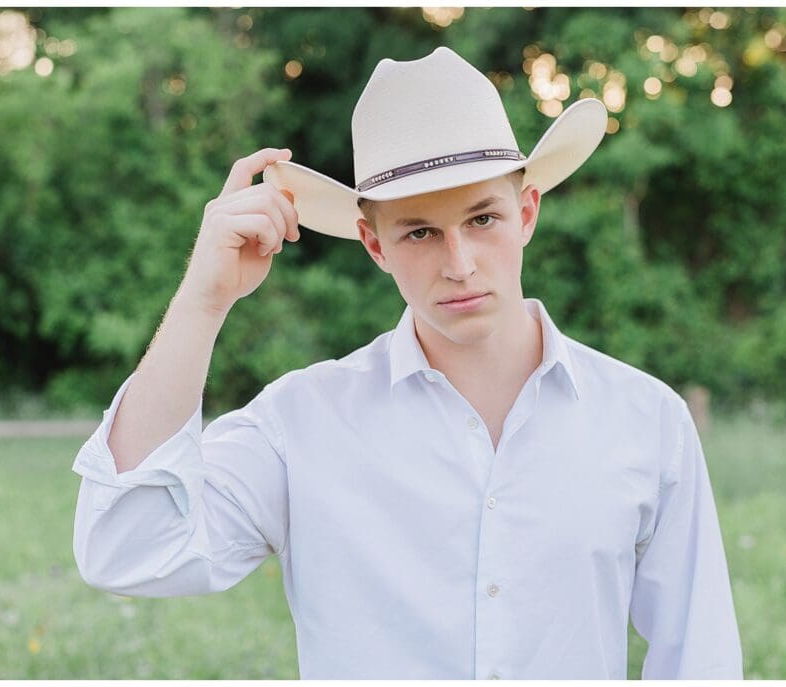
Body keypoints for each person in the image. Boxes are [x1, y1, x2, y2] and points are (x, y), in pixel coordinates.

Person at [72, 46, 742, 679]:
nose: (459, 263)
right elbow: (127, 546)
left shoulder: (646, 420)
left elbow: (701, 662)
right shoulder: (301, 424)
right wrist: (205, 296)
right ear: (374, 244)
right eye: (419, 231)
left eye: (483, 219)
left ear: (527, 210)